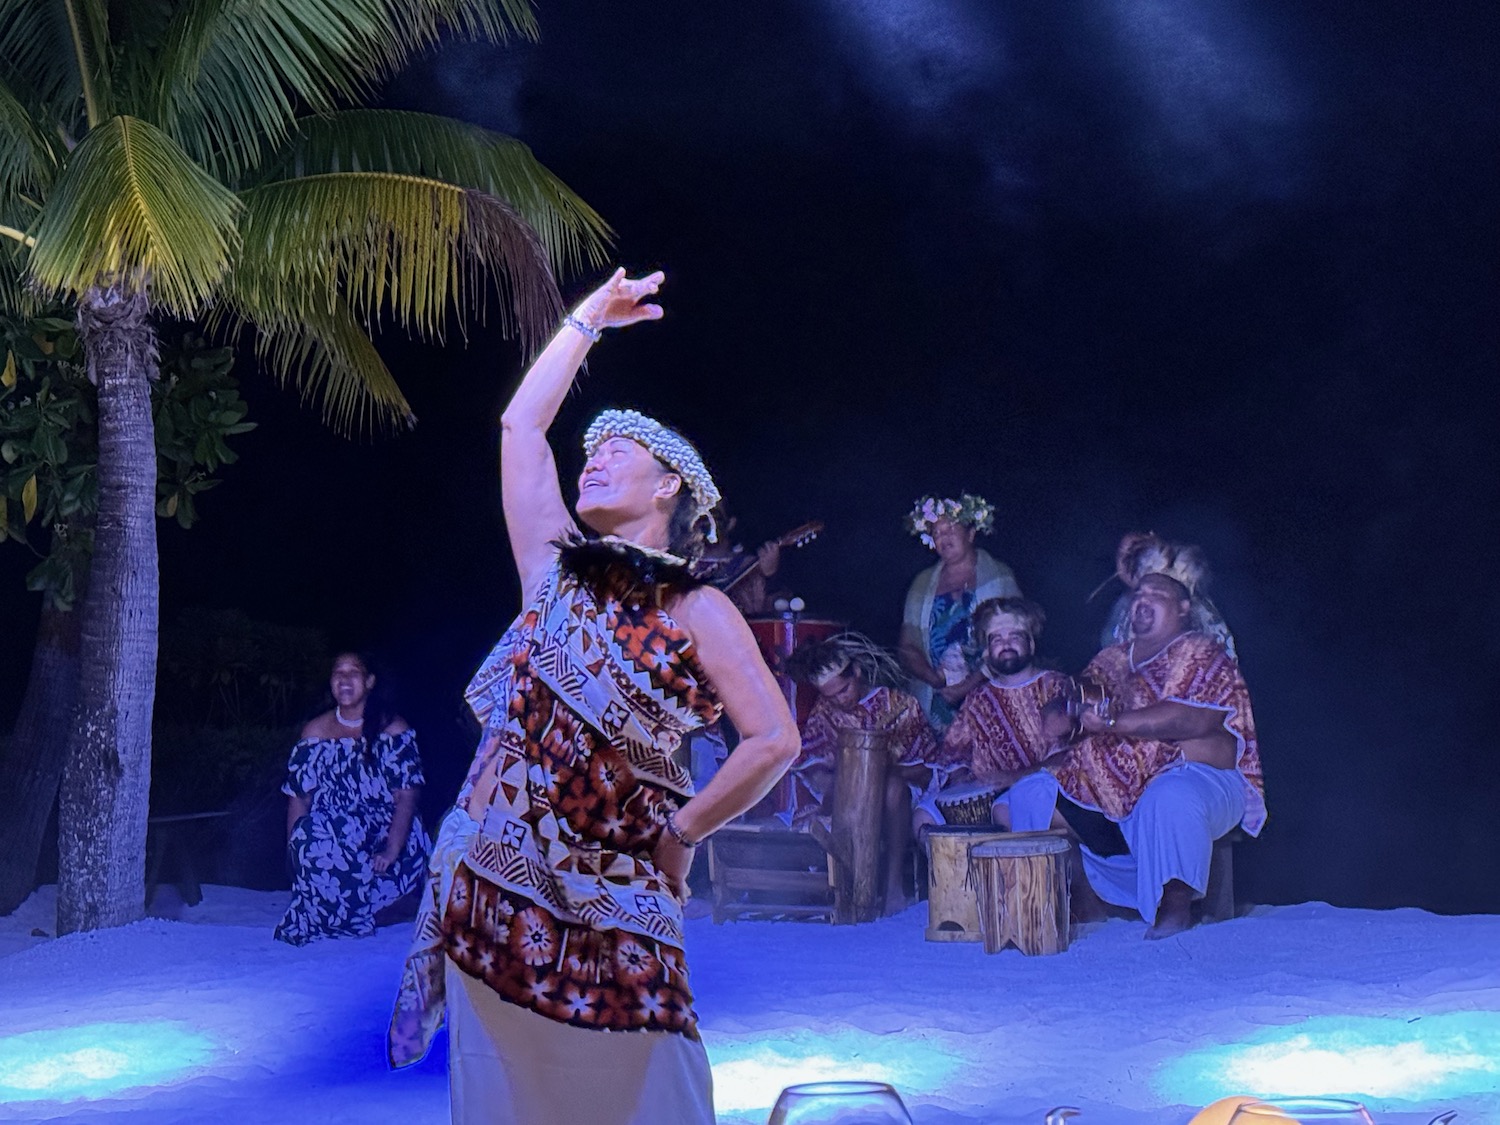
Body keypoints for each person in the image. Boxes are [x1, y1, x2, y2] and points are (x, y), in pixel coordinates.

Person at [388, 269, 799, 1125]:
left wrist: (681, 832)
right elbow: (521, 423)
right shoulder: (554, 570)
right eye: (590, 452)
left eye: (619, 451)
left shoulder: (697, 608)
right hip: (496, 873)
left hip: (621, 880)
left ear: (668, 488)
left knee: (658, 1078)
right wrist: (587, 322)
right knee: (503, 1089)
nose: (595, 457)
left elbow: (773, 739)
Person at [1049, 568, 1266, 939]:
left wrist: (1115, 722)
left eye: (1155, 593)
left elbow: (1190, 720)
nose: (1141, 599)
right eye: (1136, 594)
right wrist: (1067, 712)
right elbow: (1067, 713)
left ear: (1183, 608)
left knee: (1168, 796)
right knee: (1028, 798)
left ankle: (1175, 906)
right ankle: (1089, 899)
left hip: (1200, 778)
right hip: (1113, 786)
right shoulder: (1110, 661)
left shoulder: (1201, 651)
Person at [783, 633, 956, 912]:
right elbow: (811, 766)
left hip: (899, 799)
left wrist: (876, 770)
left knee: (892, 787)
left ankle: (892, 887)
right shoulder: (824, 712)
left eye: (843, 690)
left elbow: (929, 769)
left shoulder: (901, 705)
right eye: (831, 696)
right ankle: (848, 887)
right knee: (848, 788)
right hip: (846, 797)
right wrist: (841, 777)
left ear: (858, 672)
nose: (840, 700)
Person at [275, 652, 429, 946]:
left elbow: (407, 796)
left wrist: (391, 851)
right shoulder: (315, 732)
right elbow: (299, 798)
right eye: (338, 673)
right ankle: (341, 907)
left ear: (369, 682)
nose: (344, 679)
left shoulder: (393, 729)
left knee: (361, 883)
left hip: (383, 837)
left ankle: (382, 903)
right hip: (333, 838)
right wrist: (294, 857)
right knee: (321, 831)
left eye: (353, 672)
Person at [933, 597, 1074, 832]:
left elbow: (1070, 756)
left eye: (1015, 636)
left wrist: (1016, 777)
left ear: (1031, 644)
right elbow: (953, 753)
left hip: (1046, 789)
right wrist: (960, 776)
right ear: (987, 652)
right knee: (926, 816)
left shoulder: (1058, 687)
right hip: (987, 792)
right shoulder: (978, 700)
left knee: (1006, 810)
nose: (1006, 644)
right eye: (997, 639)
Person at [898, 494, 1021, 732]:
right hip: (936, 696)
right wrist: (934, 679)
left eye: (951, 530)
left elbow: (1017, 639)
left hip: (990, 691)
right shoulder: (921, 584)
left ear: (971, 534)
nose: (944, 538)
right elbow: (907, 645)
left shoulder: (999, 576)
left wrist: (968, 685)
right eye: (937, 533)